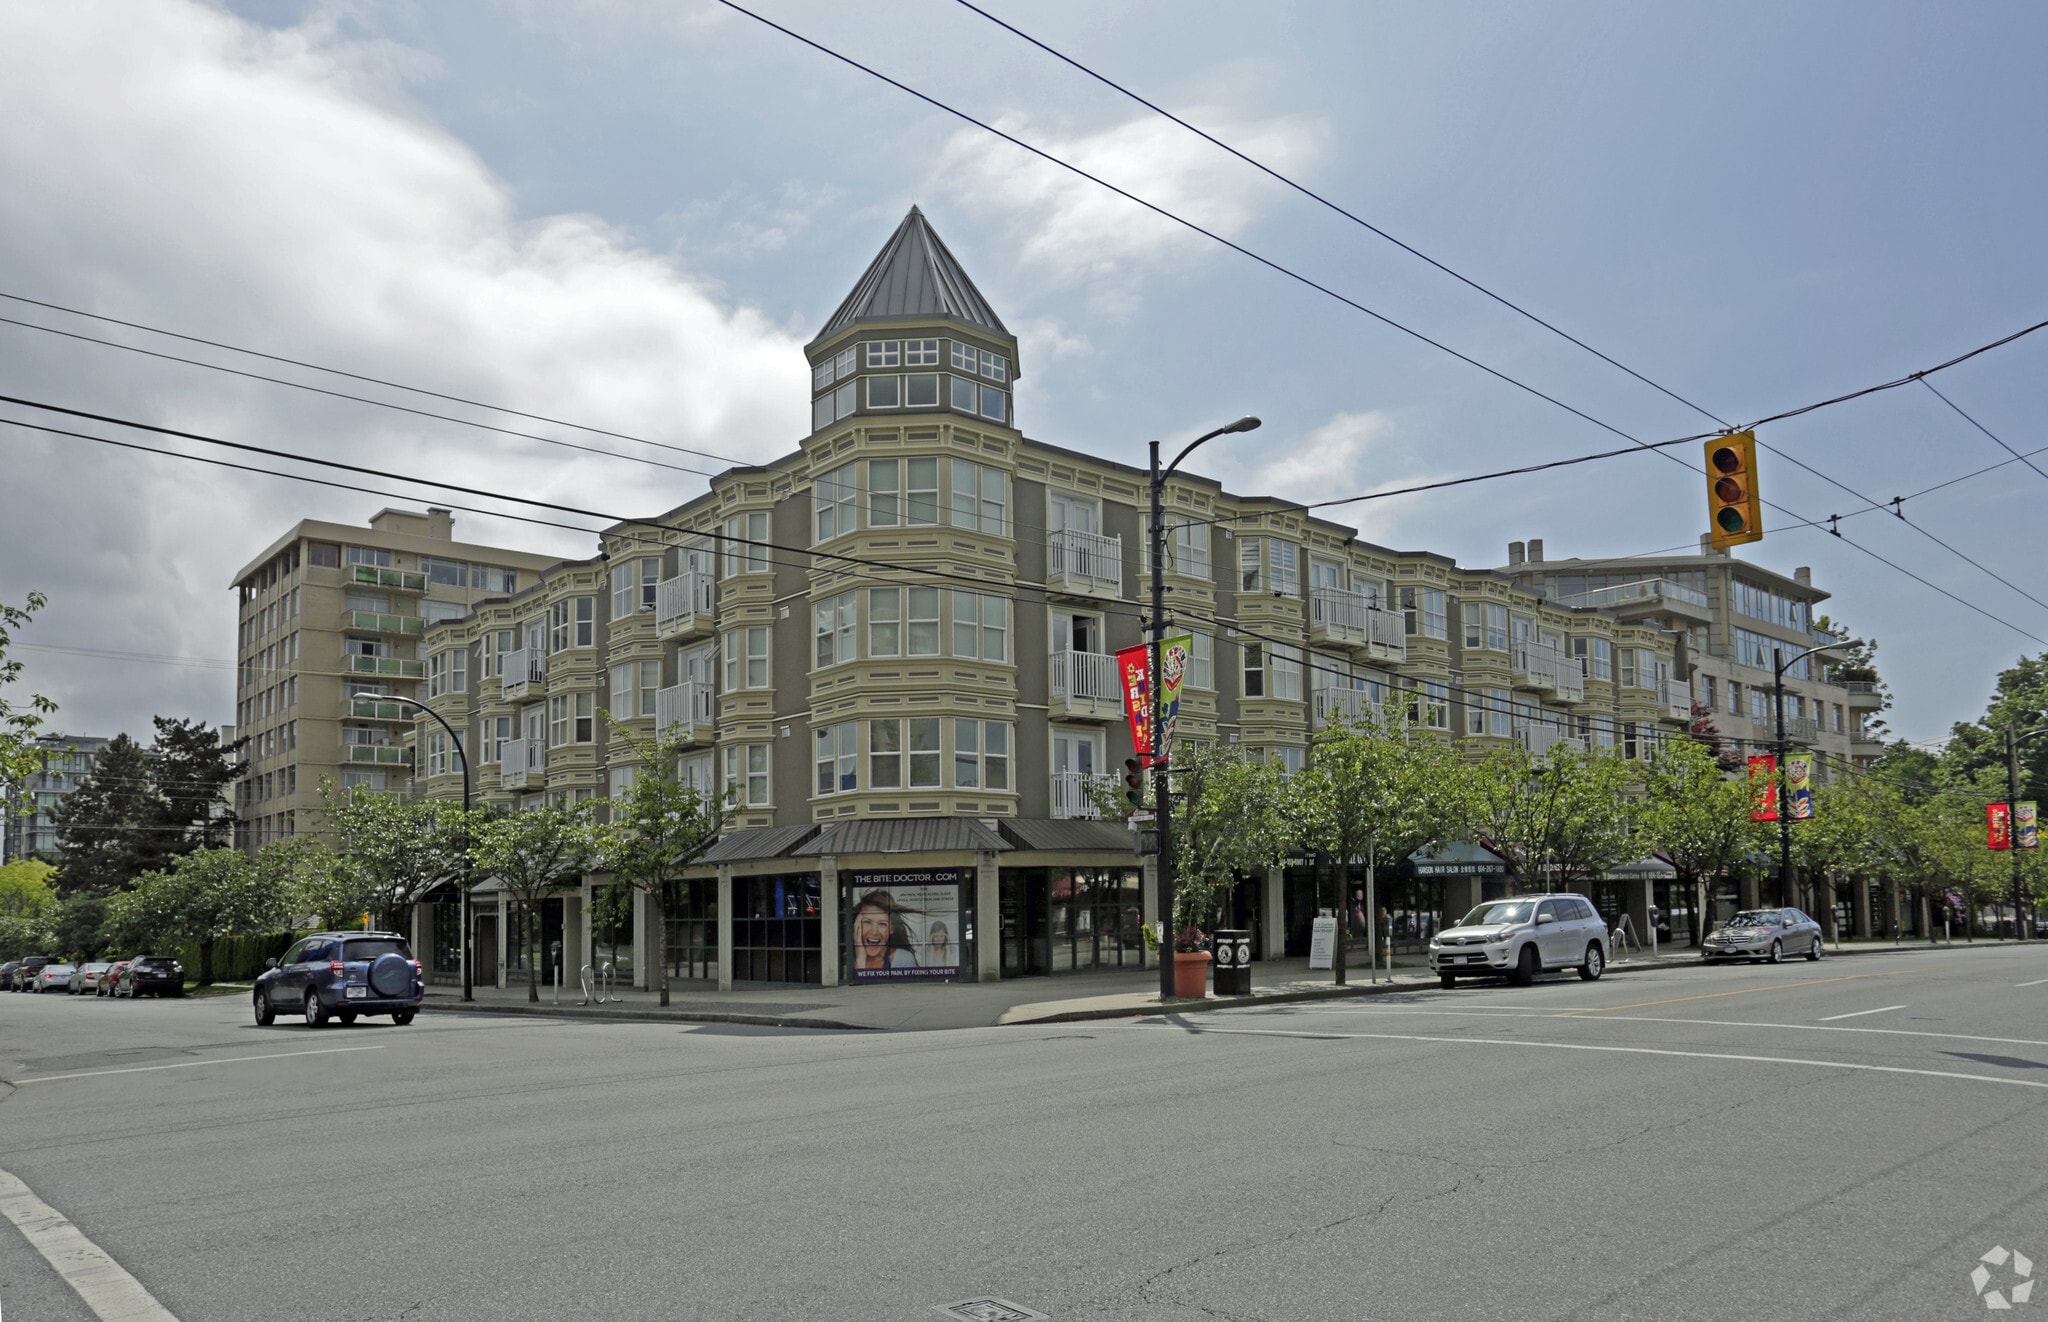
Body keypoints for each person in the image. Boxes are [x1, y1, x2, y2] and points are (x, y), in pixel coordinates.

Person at [850, 890, 921, 971]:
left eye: (882, 924)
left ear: (891, 929)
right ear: (856, 925)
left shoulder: (902, 959)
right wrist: (860, 960)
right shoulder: (848, 960)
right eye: (867, 922)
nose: (874, 932)